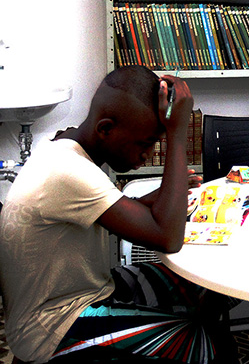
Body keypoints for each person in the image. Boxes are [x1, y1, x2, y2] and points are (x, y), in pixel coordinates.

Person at [0, 66, 235, 364]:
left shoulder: (66, 146)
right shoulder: (68, 170)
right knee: (207, 345)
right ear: (106, 129)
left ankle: (175, 333)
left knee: (213, 286)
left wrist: (153, 199)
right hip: (51, 326)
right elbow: (167, 238)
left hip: (88, 290)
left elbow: (103, 212)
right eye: (145, 143)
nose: (147, 155)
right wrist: (176, 132)